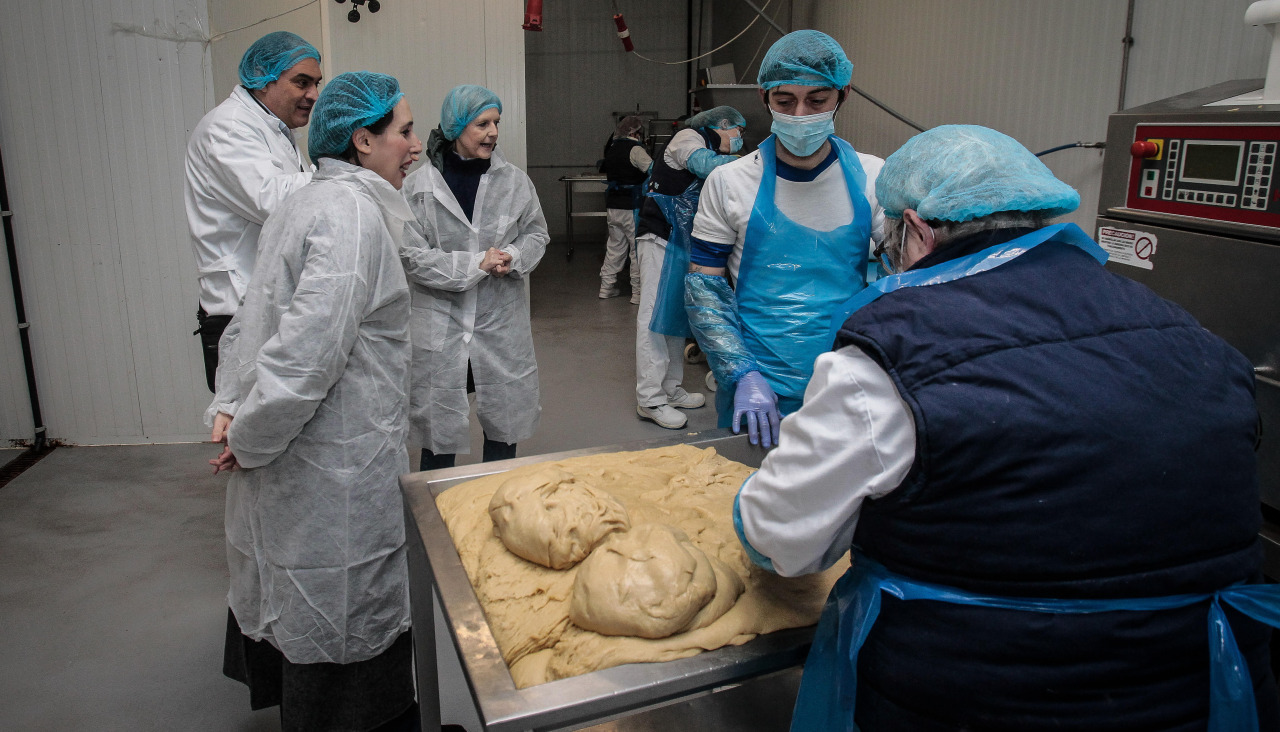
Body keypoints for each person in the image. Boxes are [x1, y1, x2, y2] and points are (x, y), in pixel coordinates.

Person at [733, 124, 1280, 731]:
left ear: (914, 230)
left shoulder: (887, 362)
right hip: (1196, 695)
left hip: (979, 698)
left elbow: (782, 536)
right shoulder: (1190, 334)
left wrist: (749, 521)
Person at [205, 71, 423, 731]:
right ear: (363, 139)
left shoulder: (305, 200)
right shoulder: (352, 216)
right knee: (342, 600)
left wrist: (232, 407)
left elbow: (250, 321)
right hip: (335, 464)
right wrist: (250, 437)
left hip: (299, 457)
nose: (416, 145)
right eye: (405, 131)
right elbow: (305, 356)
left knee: (295, 589)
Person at [684, 30, 884, 447]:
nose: (800, 113)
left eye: (817, 100)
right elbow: (706, 287)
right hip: (758, 383)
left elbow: (898, 284)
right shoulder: (730, 181)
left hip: (847, 380)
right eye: (784, 101)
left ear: (842, 95)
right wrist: (741, 373)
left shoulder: (874, 179)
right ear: (764, 98)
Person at [401, 84, 549, 470]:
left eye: (496, 122)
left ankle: (497, 498)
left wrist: (514, 256)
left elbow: (536, 233)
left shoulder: (515, 182)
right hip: (441, 327)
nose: (493, 132)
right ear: (455, 127)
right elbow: (413, 257)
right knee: (439, 429)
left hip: (499, 326)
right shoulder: (419, 187)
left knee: (503, 427)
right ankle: (434, 505)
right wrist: (476, 265)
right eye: (482, 123)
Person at [185, 31, 321, 392]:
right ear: (264, 79)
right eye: (302, 82)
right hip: (239, 309)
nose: (313, 95)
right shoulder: (226, 128)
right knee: (246, 431)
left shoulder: (275, 129)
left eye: (316, 83)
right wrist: (341, 172)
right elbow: (273, 202)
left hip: (268, 304)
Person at [633, 105, 744, 430]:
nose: (740, 139)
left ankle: (670, 389)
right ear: (723, 125)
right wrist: (752, 163)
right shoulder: (688, 138)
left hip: (682, 242)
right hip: (660, 237)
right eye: (738, 132)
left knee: (676, 315)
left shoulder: (705, 143)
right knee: (653, 316)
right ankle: (650, 398)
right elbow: (704, 165)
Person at [598, 114, 652, 302]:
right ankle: (637, 294)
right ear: (635, 132)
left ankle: (606, 288)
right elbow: (652, 170)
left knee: (614, 247)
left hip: (613, 206)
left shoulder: (612, 147)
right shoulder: (636, 150)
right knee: (636, 249)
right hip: (632, 206)